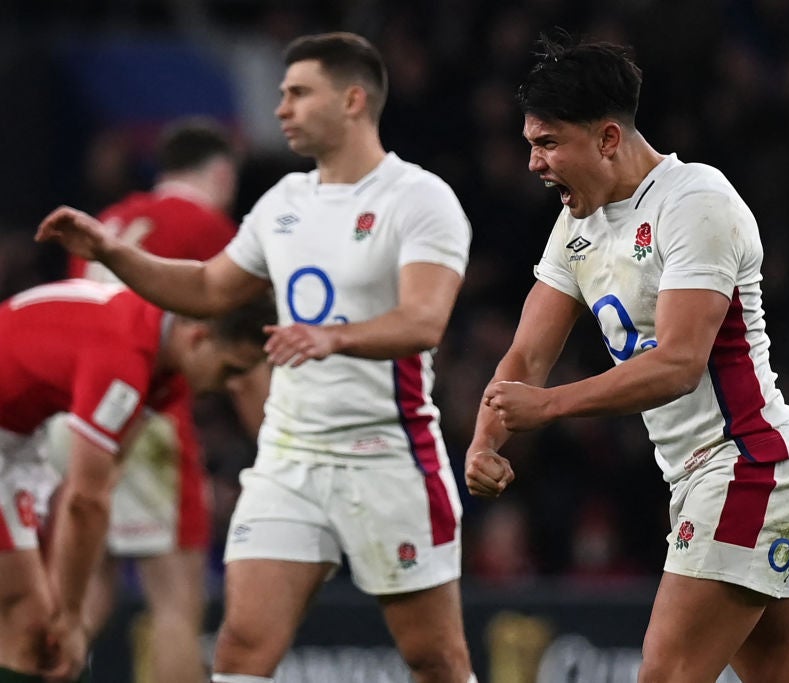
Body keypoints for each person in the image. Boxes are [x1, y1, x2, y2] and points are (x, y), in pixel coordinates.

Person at [37, 31, 477, 683]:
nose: (280, 109)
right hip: (288, 456)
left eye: (298, 94)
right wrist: (115, 254)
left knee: (433, 657)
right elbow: (210, 288)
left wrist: (336, 336)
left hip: (385, 453)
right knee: (242, 646)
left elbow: (425, 318)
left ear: (353, 100)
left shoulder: (418, 199)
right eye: (281, 95)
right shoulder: (284, 204)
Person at [464, 33, 789, 683]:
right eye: (531, 143)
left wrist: (550, 406)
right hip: (709, 475)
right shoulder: (577, 226)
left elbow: (679, 363)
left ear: (608, 138)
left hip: (748, 463)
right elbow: (525, 354)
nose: (534, 162)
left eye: (548, 143)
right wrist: (486, 439)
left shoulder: (695, 202)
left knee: (663, 674)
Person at [45, 117, 263, 683]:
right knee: (176, 602)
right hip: (141, 410)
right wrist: (272, 441)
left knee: (86, 595)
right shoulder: (207, 226)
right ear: (220, 172)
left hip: (70, 413)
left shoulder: (114, 219)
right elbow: (239, 344)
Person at [0, 280, 275, 683]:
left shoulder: (160, 357)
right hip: (10, 441)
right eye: (231, 368)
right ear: (198, 337)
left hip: (17, 441)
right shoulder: (127, 359)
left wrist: (67, 612)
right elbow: (85, 500)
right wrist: (72, 617)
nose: (234, 384)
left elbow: (103, 483)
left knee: (29, 624)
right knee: (30, 620)